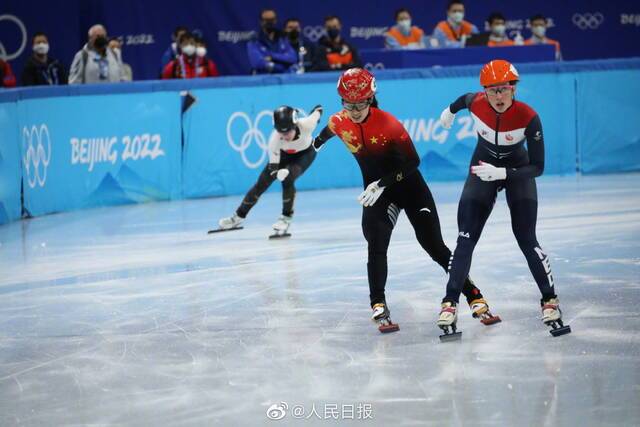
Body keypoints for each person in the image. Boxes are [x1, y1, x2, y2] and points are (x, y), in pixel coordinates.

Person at [312, 68, 497, 333]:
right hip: (378, 194)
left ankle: (473, 294)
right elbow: (329, 130)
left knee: (434, 246)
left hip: (409, 188)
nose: (354, 110)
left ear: (371, 99)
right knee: (376, 241)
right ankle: (377, 302)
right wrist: (316, 143)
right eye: (349, 104)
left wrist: (381, 183)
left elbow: (414, 162)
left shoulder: (388, 124)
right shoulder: (339, 120)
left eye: (361, 104)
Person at [437, 60, 570, 337]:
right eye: (493, 91)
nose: (499, 97)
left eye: (504, 90)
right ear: (485, 92)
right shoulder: (476, 102)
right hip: (482, 169)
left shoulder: (528, 116)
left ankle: (550, 299)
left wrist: (504, 173)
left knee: (526, 237)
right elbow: (463, 99)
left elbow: (538, 167)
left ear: (514, 89)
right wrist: (449, 111)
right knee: (465, 237)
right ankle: (450, 303)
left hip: (517, 172)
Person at [217, 105, 323, 237]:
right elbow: (273, 168)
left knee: (288, 178)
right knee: (261, 183)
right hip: (283, 155)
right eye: (281, 132)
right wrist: (277, 173)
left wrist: (316, 113)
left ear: (295, 125)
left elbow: (319, 109)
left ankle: (286, 217)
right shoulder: (275, 139)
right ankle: (238, 216)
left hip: (305, 154)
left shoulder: (307, 124)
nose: (285, 136)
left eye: (288, 131)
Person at [247, 9, 297, 74]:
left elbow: (292, 58)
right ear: (261, 21)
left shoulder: (283, 38)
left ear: (275, 20)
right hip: (263, 79)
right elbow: (257, 63)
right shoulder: (254, 40)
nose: (270, 22)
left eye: (272, 20)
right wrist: (281, 66)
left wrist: (272, 57)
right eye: (267, 20)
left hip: (284, 79)